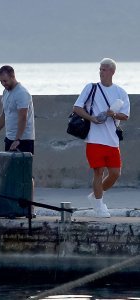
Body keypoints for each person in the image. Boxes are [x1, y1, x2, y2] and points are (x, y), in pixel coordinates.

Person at [73, 58, 130, 217]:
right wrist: (92, 118)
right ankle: (99, 205)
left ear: (112, 71)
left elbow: (125, 116)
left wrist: (114, 114)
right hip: (94, 138)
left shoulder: (120, 92)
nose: (101, 72)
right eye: (100, 69)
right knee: (98, 171)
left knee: (115, 173)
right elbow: (77, 107)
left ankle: (95, 196)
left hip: (112, 139)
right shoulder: (91, 88)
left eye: (104, 69)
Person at [0, 65, 35, 153]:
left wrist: (18, 139)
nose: (3, 84)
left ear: (12, 77)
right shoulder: (6, 92)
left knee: (21, 167)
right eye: (1, 81)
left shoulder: (22, 93)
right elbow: (4, 114)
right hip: (9, 138)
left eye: (5, 81)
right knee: (9, 167)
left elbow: (23, 117)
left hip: (23, 140)